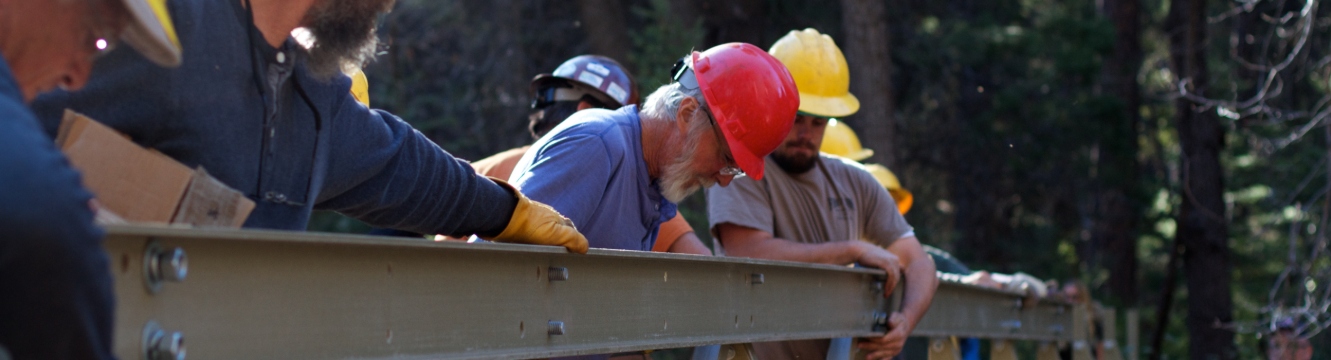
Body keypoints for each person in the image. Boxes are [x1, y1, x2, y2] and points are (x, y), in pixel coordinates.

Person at [30, 0, 587, 253]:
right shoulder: (163, 28)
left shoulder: (314, 99)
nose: (390, 5)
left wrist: (505, 211)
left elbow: (404, 169)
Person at [705, 29, 938, 360]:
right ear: (771, 105)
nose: (806, 134)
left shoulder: (856, 182)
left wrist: (906, 321)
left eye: (819, 122)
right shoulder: (742, 169)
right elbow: (749, 252)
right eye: (797, 118)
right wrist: (853, 249)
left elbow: (918, 262)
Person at [0, 0, 182, 358]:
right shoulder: (41, 193)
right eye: (93, 36)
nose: (78, 77)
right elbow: (42, 216)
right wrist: (63, 203)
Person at [508, 42, 798, 256]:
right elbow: (495, 262)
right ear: (687, 115)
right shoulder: (598, 144)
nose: (723, 180)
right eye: (726, 159)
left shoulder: (651, 181)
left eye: (734, 171)